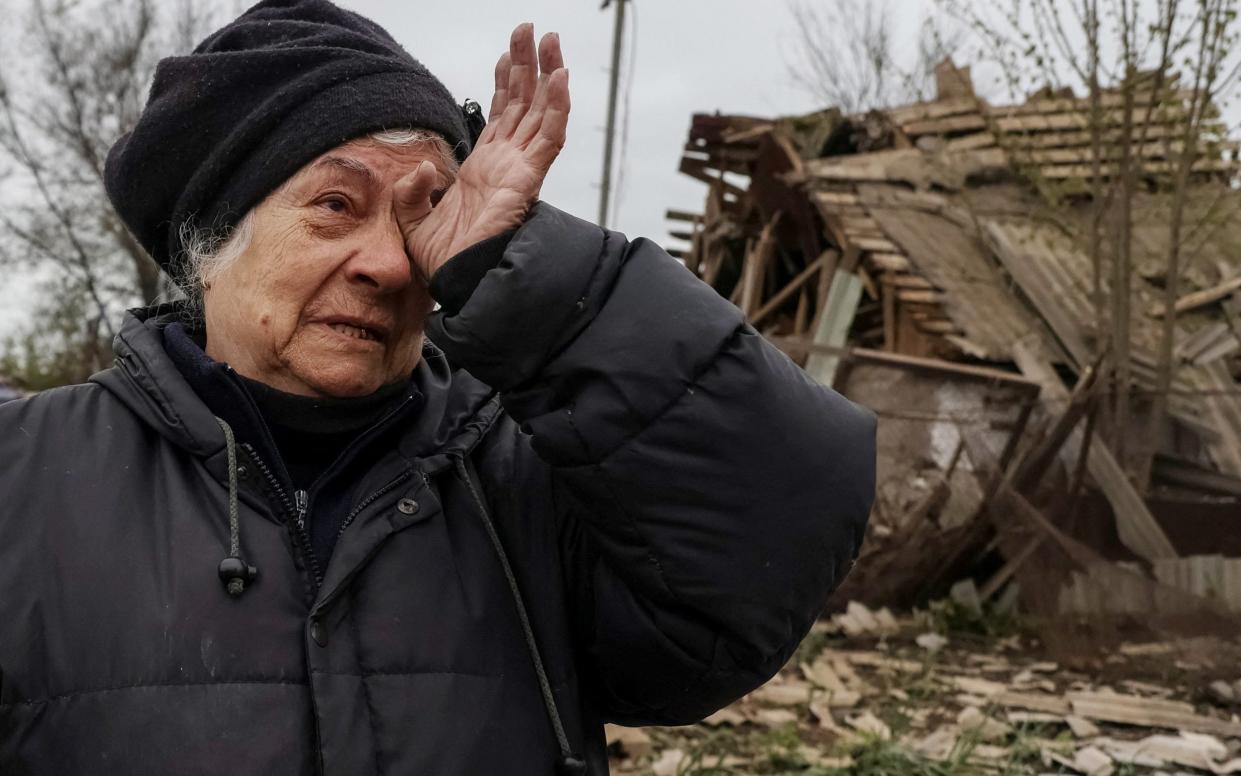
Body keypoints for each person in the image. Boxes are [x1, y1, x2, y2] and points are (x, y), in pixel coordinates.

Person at [0, 1, 875, 773]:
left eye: (424, 214)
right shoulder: (25, 478)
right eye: (335, 205)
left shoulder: (527, 478)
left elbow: (773, 538)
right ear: (208, 244)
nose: (389, 264)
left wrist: (530, 276)